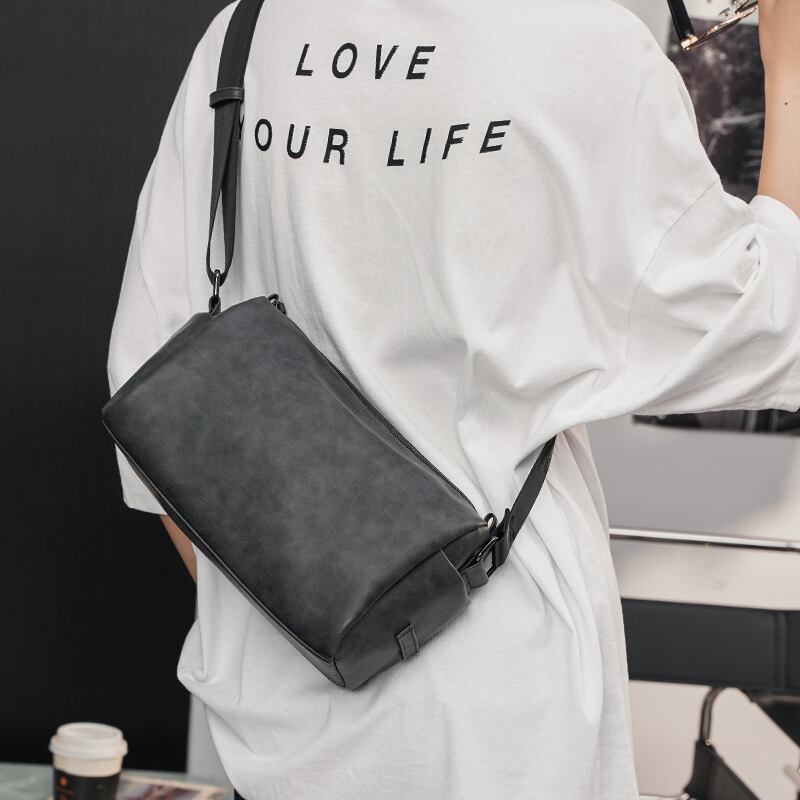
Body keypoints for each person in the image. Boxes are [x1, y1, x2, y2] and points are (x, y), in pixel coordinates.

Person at [106, 1, 800, 798]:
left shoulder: (247, 31)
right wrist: (790, 68)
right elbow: (774, 329)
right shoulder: (580, 42)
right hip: (500, 702)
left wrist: (300, 613)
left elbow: (152, 383)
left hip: (281, 707)